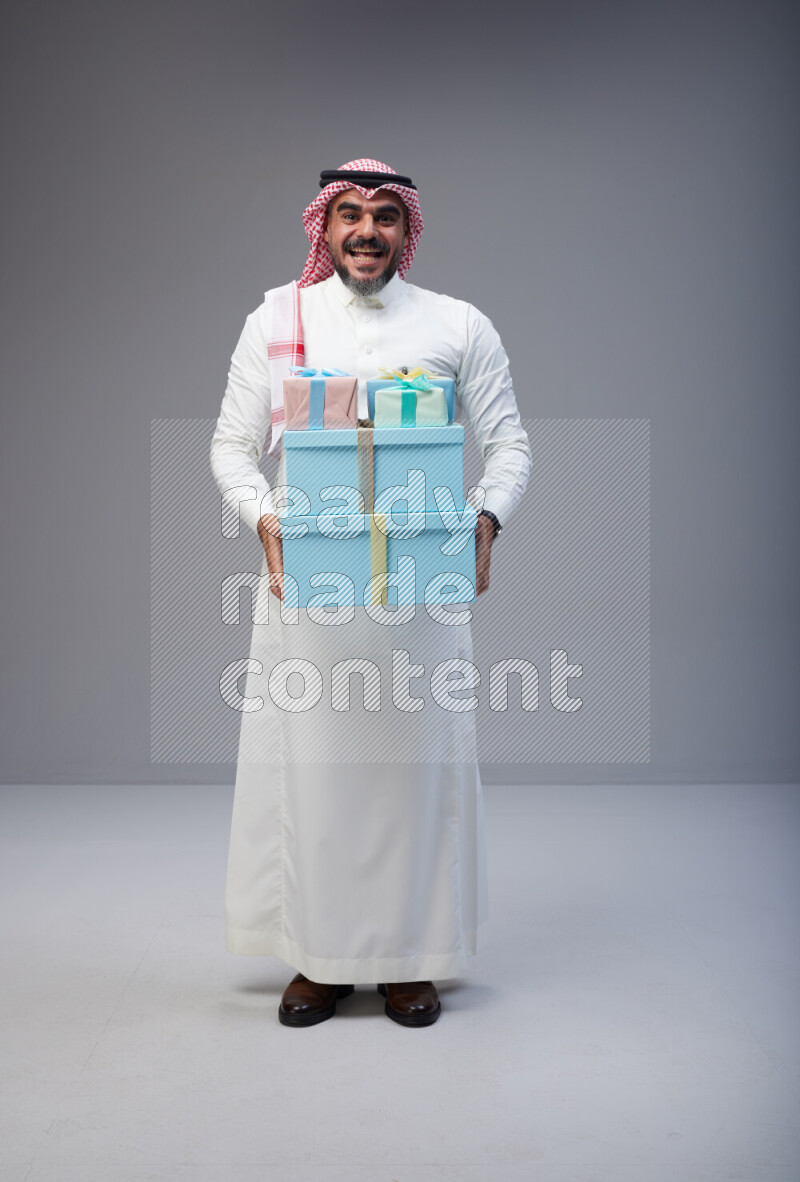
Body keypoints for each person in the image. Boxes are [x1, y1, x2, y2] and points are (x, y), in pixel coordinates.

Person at [210, 158, 531, 1027]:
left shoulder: (458, 325)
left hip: (420, 601)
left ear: (407, 229)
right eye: (350, 213)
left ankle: (408, 961)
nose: (366, 231)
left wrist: (486, 520)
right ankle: (318, 960)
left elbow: (509, 448)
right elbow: (232, 449)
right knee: (315, 777)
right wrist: (266, 519)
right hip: (310, 595)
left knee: (412, 777)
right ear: (324, 224)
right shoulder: (279, 319)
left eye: (385, 216)